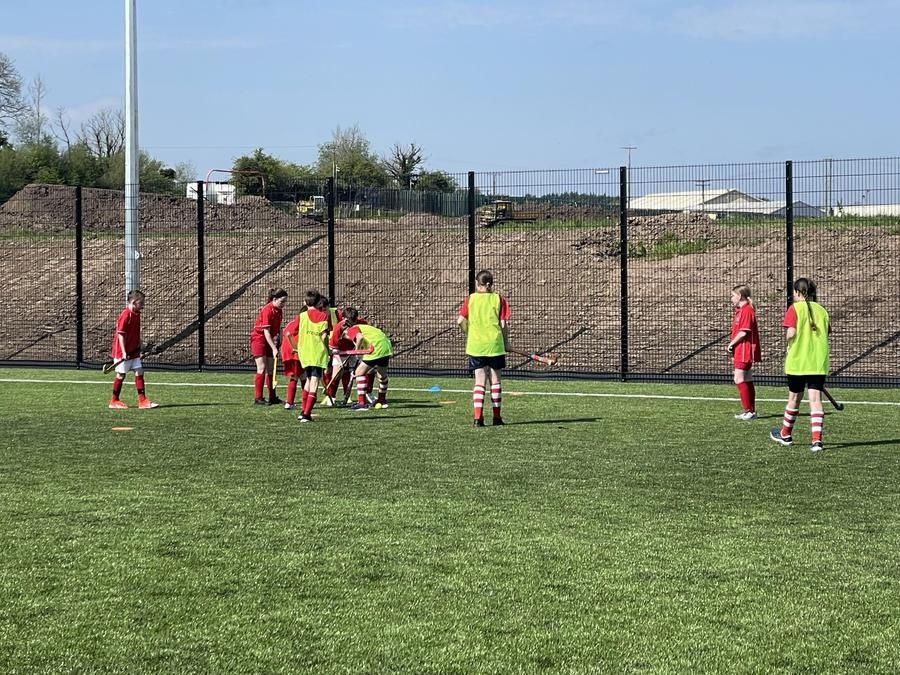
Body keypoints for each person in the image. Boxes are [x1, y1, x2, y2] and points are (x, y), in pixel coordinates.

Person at [770, 278, 831, 452]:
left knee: (794, 399)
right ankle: (816, 441)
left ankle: (786, 435)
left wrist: (788, 340)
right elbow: (825, 333)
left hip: (798, 362)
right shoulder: (822, 311)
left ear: (798, 292)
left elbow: (791, 333)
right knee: (815, 400)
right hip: (818, 363)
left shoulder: (794, 309)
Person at [457, 270, 510, 426]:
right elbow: (503, 324)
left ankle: (477, 419)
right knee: (495, 381)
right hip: (495, 345)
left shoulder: (470, 299)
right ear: (490, 284)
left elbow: (460, 321)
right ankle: (497, 418)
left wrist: (469, 332)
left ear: (476, 283)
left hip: (476, 346)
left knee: (479, 382)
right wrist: (506, 342)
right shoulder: (499, 299)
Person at [108, 289, 158, 409]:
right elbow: (120, 334)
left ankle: (142, 401)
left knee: (139, 371)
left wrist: (139, 342)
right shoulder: (126, 315)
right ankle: (114, 401)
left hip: (133, 350)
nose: (143, 305)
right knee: (121, 375)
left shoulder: (136, 314)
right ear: (134, 302)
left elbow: (133, 331)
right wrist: (124, 352)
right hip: (122, 351)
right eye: (141, 303)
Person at [339, 307, 393, 411]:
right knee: (382, 376)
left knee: (359, 373)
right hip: (386, 347)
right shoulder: (365, 327)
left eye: (344, 335)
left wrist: (357, 351)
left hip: (375, 349)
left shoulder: (352, 329)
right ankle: (382, 400)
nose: (345, 336)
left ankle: (362, 403)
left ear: (345, 320)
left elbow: (360, 337)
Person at [296, 290, 333, 422]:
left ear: (305, 302)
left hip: (304, 352)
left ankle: (303, 411)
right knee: (314, 382)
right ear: (318, 303)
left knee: (308, 380)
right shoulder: (322, 316)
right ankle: (306, 414)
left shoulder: (302, 315)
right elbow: (324, 336)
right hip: (317, 352)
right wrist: (328, 350)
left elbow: (293, 331)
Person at [727, 284, 761, 420]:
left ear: (740, 296)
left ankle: (749, 411)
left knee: (739, 379)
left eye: (733, 296)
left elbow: (743, 332)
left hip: (744, 350)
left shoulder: (746, 310)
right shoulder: (741, 310)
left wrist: (731, 343)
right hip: (741, 350)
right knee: (747, 379)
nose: (731, 298)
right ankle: (750, 411)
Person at [250, 288, 287, 405]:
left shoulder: (279, 310)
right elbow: (266, 331)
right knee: (261, 368)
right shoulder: (267, 310)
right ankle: (258, 398)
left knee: (271, 369)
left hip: (269, 340)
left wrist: (280, 341)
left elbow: (279, 328)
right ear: (274, 299)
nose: (283, 304)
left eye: (285, 302)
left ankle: (272, 397)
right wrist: (274, 348)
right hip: (259, 339)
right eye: (282, 301)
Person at [279, 307, 306, 410]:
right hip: (295, 352)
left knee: (302, 375)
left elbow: (284, 333)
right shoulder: (303, 323)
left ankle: (298, 402)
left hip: (286, 352)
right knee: (296, 377)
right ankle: (290, 402)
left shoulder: (292, 322)